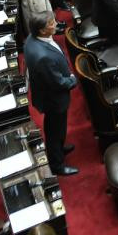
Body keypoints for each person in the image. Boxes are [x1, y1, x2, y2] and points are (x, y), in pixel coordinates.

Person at [23, 13, 77, 176]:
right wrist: (73, 80)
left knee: (56, 128)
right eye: (51, 24)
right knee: (54, 130)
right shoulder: (42, 57)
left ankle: (59, 148)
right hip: (53, 99)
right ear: (41, 30)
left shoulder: (32, 39)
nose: (55, 24)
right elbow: (58, 82)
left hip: (46, 93)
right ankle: (57, 165)